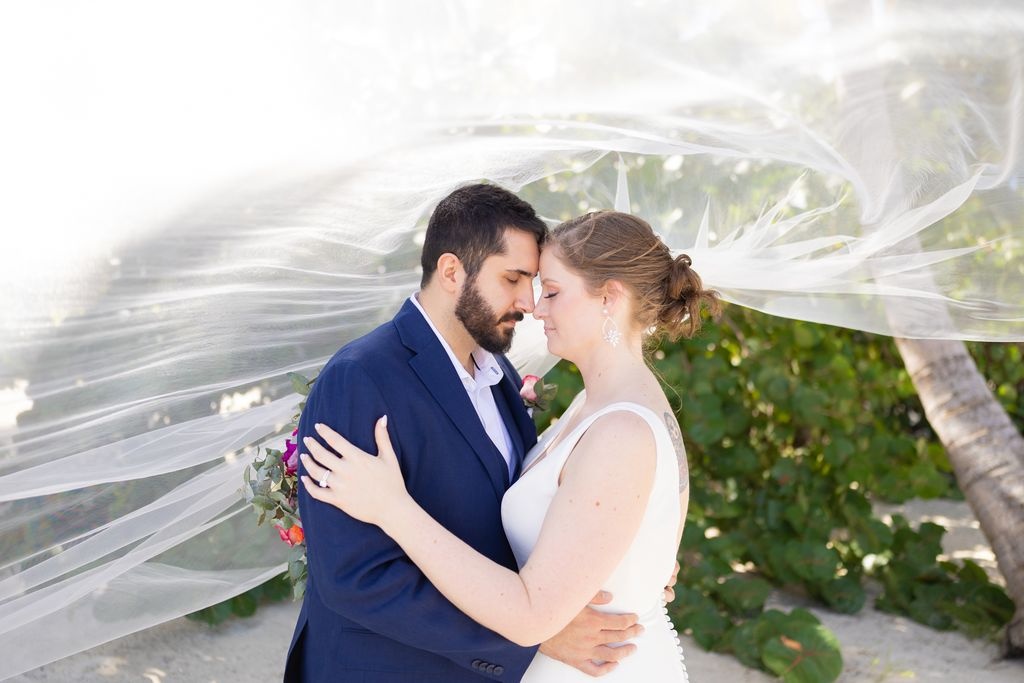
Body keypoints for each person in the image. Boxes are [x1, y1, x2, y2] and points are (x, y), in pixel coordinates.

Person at [300, 210, 721, 681]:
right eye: (518, 280)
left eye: (551, 291)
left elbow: (534, 612)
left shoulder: (619, 429)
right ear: (451, 271)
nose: (535, 306)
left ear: (610, 297)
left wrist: (392, 507)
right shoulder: (592, 403)